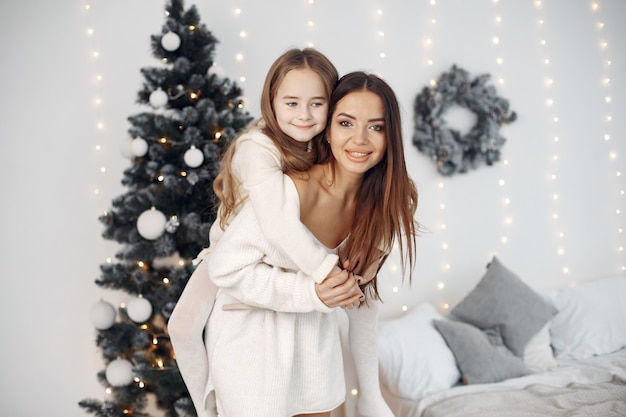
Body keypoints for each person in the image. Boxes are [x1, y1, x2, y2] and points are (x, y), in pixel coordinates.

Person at [201, 71, 419, 416]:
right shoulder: (289, 192)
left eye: (376, 127)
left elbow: (362, 303)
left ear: (390, 137)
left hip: (315, 351)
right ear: (327, 130)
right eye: (346, 123)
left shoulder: (383, 209)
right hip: (252, 347)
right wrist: (309, 293)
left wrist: (371, 395)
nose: (360, 139)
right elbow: (224, 268)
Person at [169, 48, 365, 417]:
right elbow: (277, 221)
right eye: (291, 103)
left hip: (283, 260)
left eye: (317, 103)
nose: (303, 115)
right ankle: (207, 407)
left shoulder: (321, 149)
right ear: (271, 103)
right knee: (181, 326)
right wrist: (326, 270)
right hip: (226, 252)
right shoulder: (255, 147)